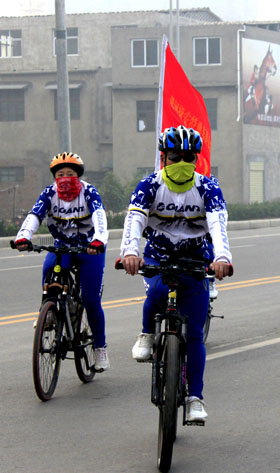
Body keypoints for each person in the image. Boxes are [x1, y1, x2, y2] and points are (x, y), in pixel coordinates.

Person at [120, 125, 233, 424]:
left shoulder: (208, 187)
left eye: (188, 158)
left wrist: (222, 257)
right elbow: (134, 221)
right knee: (156, 292)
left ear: (196, 160)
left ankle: (195, 398)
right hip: (158, 255)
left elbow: (218, 226)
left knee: (195, 334)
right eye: (174, 157)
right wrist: (131, 252)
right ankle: (146, 334)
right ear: (163, 158)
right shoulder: (149, 185)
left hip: (195, 259)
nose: (181, 163)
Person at [14, 152, 110, 371]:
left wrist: (98, 241)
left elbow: (99, 217)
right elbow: (35, 216)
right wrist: (23, 236)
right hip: (63, 246)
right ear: (54, 177)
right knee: (49, 268)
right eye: (60, 174)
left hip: (89, 248)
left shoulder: (89, 192)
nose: (65, 177)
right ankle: (47, 311)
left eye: (70, 173)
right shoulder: (49, 194)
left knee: (91, 300)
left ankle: (100, 349)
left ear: (78, 175)